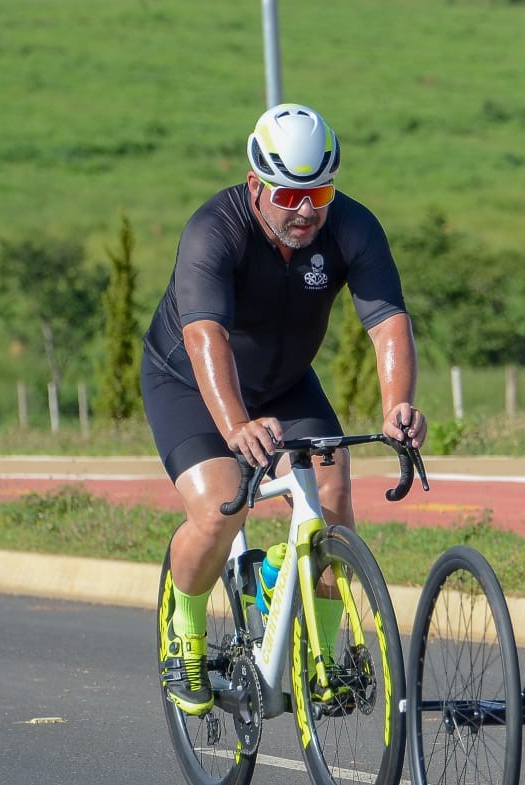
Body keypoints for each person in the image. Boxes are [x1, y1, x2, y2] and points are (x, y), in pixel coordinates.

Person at [142, 102, 426, 716]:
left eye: (319, 192)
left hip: (285, 382)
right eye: (290, 194)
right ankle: (184, 626)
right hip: (191, 383)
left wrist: (398, 404)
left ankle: (324, 658)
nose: (306, 210)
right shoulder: (213, 231)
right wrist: (236, 425)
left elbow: (388, 324)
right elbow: (205, 338)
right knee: (223, 507)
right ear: (255, 185)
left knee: (333, 503)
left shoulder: (352, 226)